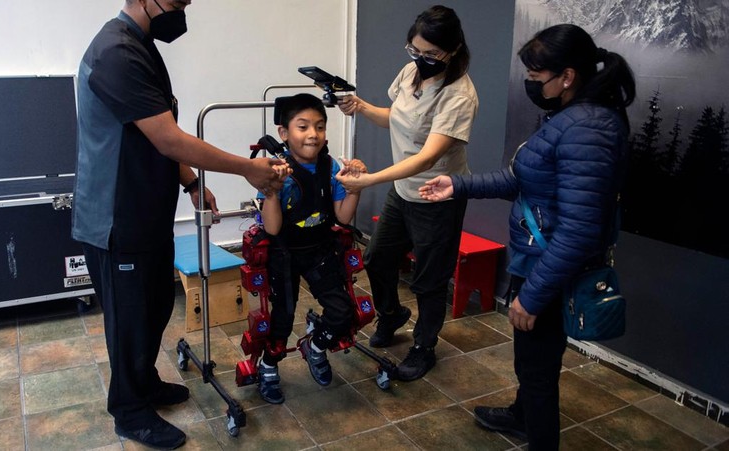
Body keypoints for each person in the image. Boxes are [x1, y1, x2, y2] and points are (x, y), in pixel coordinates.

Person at [72, 1, 288, 448]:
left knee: (154, 308)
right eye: (177, 2)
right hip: (116, 219)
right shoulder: (115, 52)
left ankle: (144, 384)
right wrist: (247, 169)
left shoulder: (142, 47)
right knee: (130, 320)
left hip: (146, 213)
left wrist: (189, 182)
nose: (183, 10)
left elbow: (153, 132)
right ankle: (130, 410)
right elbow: (169, 138)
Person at [419, 24, 636, 450]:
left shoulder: (587, 128)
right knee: (533, 362)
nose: (532, 86)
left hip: (548, 272)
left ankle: (538, 436)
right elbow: (522, 179)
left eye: (537, 79)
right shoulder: (574, 117)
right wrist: (459, 185)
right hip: (538, 262)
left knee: (537, 370)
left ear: (567, 76)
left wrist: (533, 297)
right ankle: (522, 415)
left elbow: (579, 231)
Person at [335, 4, 478, 381]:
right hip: (403, 191)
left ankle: (423, 347)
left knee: (429, 279)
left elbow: (427, 157)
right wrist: (361, 107)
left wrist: (369, 180)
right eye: (415, 51)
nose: (421, 59)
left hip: (437, 197)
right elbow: (396, 117)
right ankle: (392, 314)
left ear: (453, 50)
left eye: (431, 54)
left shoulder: (459, 95)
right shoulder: (411, 72)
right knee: (378, 258)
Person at [255, 93, 367, 404]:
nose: (312, 134)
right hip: (284, 253)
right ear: (284, 132)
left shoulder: (331, 167)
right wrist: (273, 192)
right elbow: (273, 229)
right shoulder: (278, 171)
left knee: (343, 312)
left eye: (319, 126)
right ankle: (267, 365)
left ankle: (315, 347)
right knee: (282, 319)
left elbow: (343, 217)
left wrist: (356, 186)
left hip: (319, 249)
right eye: (302, 126)